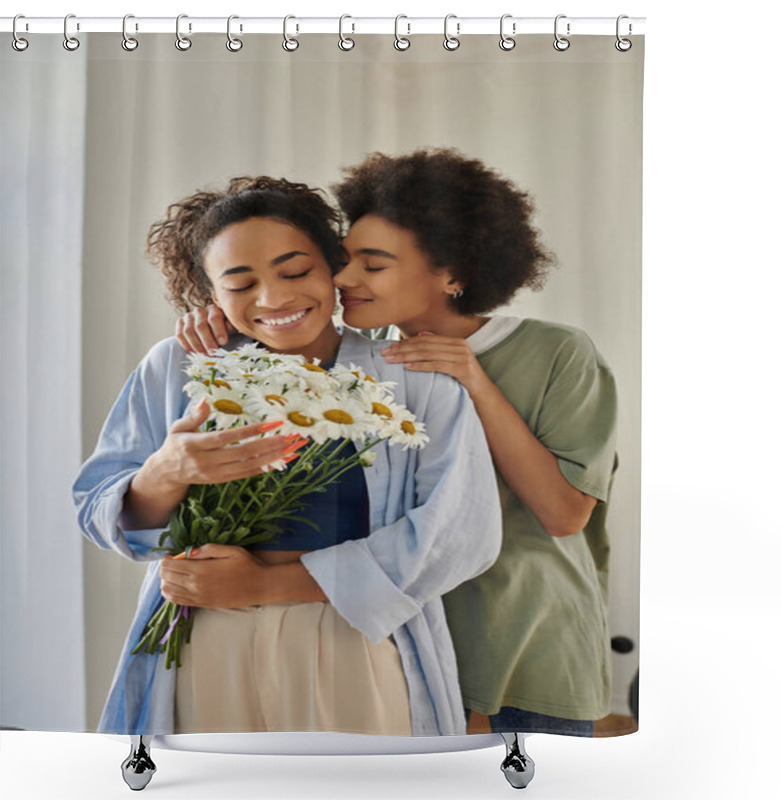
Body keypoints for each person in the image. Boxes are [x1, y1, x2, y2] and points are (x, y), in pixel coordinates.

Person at [179, 150, 619, 737]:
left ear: (452, 272)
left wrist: (473, 380)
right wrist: (214, 320)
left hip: (526, 640)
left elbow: (565, 515)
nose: (343, 279)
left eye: (374, 264)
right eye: (344, 260)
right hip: (402, 632)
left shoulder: (557, 352)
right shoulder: (370, 360)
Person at [72, 175, 502, 737]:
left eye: (295, 272)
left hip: (359, 638)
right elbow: (97, 508)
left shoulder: (414, 378)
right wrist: (166, 472)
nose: (273, 299)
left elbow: (460, 535)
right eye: (239, 283)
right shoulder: (176, 367)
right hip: (203, 639)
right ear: (209, 295)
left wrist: (268, 586)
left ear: (332, 267)